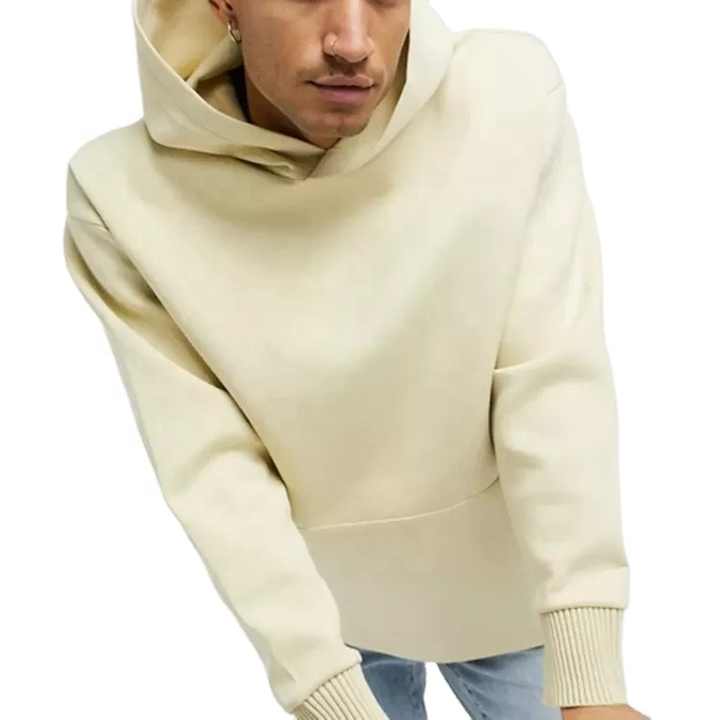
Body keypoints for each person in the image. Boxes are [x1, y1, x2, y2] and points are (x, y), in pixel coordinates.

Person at [62, 1, 650, 719]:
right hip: (325, 616)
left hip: (515, 585)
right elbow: (213, 473)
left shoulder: (507, 94)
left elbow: (551, 379)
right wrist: (324, 688)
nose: (351, 41)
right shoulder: (120, 193)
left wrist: (593, 672)